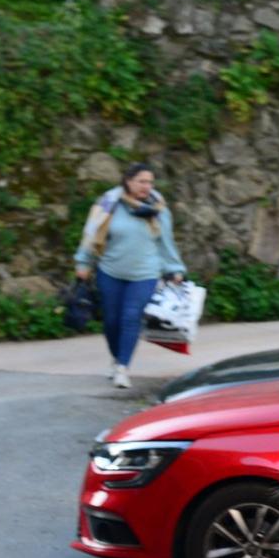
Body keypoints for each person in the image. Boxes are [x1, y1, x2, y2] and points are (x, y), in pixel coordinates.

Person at [74, 162, 186, 390]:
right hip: (110, 271)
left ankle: (123, 367)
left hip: (145, 273)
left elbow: (166, 241)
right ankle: (116, 359)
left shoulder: (158, 208)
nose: (147, 186)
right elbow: (91, 232)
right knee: (111, 321)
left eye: (150, 182)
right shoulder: (108, 204)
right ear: (128, 181)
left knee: (131, 317)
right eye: (142, 181)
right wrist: (83, 261)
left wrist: (175, 268)